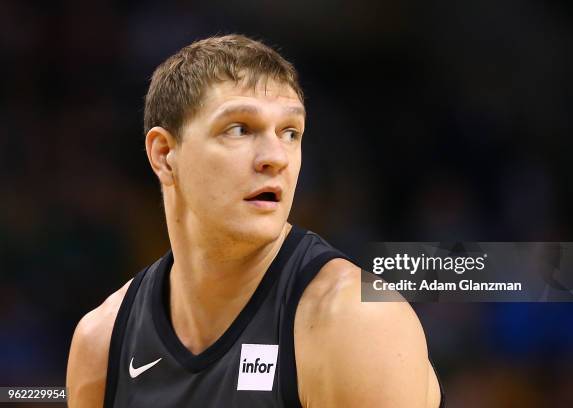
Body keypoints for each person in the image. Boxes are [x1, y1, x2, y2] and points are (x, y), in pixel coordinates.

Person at [66, 34, 444, 408]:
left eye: (290, 133)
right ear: (164, 155)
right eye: (240, 129)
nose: (275, 158)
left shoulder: (354, 322)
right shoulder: (101, 343)